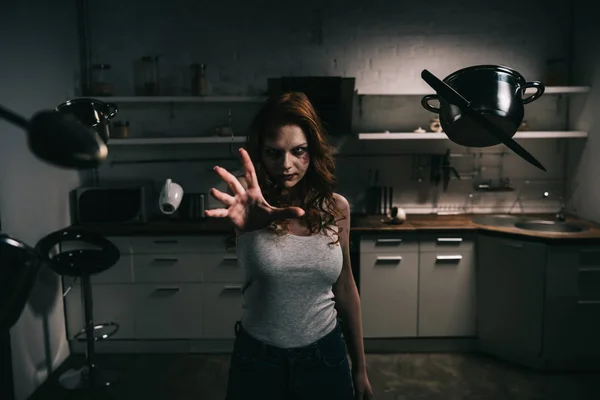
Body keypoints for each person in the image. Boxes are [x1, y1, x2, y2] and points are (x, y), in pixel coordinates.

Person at [206, 92, 374, 400]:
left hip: (326, 358)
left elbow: (346, 287)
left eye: (299, 151)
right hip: (258, 362)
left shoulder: (337, 208)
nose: (287, 164)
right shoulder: (248, 209)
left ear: (314, 151)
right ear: (261, 153)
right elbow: (226, 208)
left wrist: (360, 367)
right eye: (274, 152)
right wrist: (246, 226)